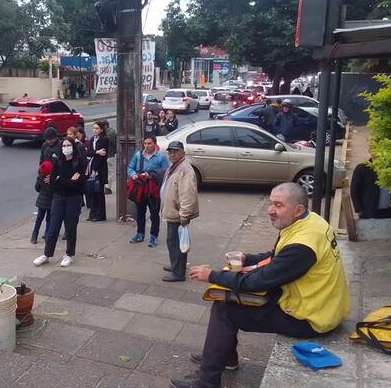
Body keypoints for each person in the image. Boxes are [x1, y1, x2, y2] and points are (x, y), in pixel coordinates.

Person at [171, 183, 350, 388]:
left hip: (311, 317)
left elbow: (257, 283)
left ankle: (207, 381)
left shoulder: (302, 245)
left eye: (279, 205)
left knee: (225, 309)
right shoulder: (311, 222)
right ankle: (223, 357)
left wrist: (212, 275)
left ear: (298, 209)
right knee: (226, 302)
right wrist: (248, 259)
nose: (271, 210)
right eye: (270, 203)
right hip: (322, 304)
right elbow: (277, 257)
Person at [33, 137, 86, 268]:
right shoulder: (57, 161)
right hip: (58, 198)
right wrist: (69, 181)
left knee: (70, 227)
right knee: (53, 227)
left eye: (69, 145)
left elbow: (79, 185)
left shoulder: (79, 162)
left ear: (73, 147)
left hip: (73, 199)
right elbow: (52, 181)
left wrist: (61, 180)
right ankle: (46, 254)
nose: (66, 148)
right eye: (64, 145)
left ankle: (69, 254)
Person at [161, 141, 199, 282]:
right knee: (173, 241)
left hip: (178, 213)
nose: (172, 154)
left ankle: (178, 273)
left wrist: (184, 214)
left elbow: (187, 194)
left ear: (182, 152)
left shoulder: (184, 169)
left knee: (175, 241)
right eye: (170, 152)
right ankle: (175, 265)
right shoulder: (176, 166)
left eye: (175, 152)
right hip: (174, 211)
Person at [128, 135, 170, 247]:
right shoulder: (138, 156)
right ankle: (140, 234)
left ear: (155, 144)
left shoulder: (161, 157)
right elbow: (130, 168)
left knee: (154, 214)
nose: (146, 146)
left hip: (153, 190)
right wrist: (133, 175)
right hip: (140, 189)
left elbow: (166, 172)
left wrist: (152, 175)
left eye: (149, 143)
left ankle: (153, 236)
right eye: (145, 143)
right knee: (140, 213)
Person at [85, 121, 109, 222]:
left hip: (100, 169)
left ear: (101, 130)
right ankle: (92, 214)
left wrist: (95, 169)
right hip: (91, 168)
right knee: (92, 193)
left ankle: (100, 215)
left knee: (99, 193)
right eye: (94, 128)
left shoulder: (104, 139)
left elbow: (102, 156)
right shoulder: (92, 139)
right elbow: (89, 152)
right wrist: (96, 152)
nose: (95, 130)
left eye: (97, 128)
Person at [31, 161, 54, 244]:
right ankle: (47, 235)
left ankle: (34, 235)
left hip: (41, 201)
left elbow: (37, 188)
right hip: (51, 202)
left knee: (39, 219)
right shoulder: (52, 178)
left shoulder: (40, 177)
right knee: (49, 219)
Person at [104, 121, 117, 194]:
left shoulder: (111, 133)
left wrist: (114, 151)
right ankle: (106, 186)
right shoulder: (108, 132)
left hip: (109, 154)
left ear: (105, 126)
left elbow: (114, 143)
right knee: (107, 171)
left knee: (109, 171)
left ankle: (108, 187)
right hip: (107, 154)